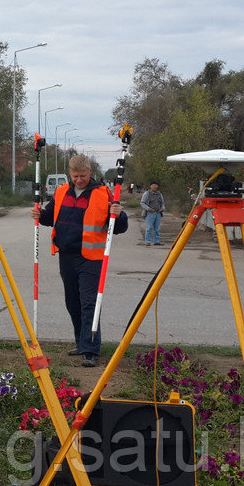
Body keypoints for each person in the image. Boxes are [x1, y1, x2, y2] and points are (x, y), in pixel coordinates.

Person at [30, 154, 127, 367]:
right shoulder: (61, 191)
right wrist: (38, 215)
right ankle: (81, 342)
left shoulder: (103, 193)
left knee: (89, 303)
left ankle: (91, 349)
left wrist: (118, 215)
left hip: (92, 258)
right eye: (75, 176)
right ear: (70, 174)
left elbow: (119, 228)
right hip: (67, 256)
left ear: (90, 173)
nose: (79, 180)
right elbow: (49, 217)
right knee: (72, 302)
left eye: (83, 176)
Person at [140, 181, 166, 245]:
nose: (154, 186)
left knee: (157, 228)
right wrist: (149, 209)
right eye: (153, 185)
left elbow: (162, 203)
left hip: (158, 213)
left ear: (157, 186)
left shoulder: (159, 194)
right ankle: (148, 241)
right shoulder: (147, 194)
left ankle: (157, 241)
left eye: (156, 185)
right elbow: (142, 203)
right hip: (150, 213)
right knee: (149, 228)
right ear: (150, 186)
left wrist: (162, 209)